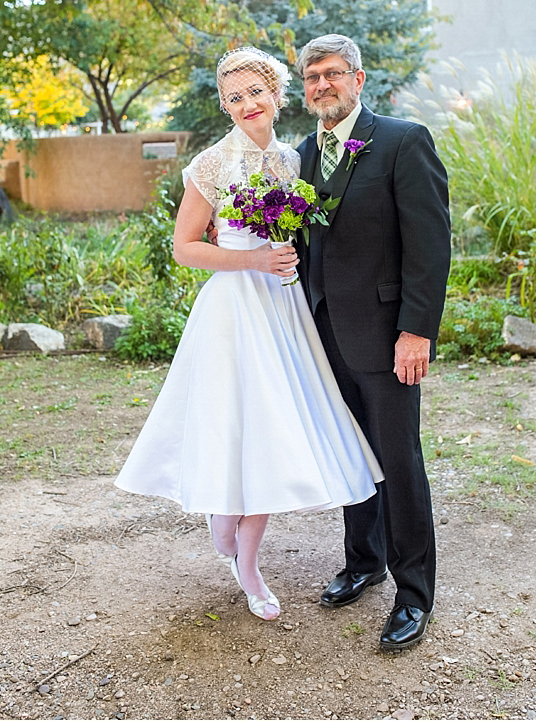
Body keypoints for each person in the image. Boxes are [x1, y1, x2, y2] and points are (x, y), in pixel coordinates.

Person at [114, 46, 384, 622]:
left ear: (277, 94)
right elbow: (185, 248)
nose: (246, 105)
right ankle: (228, 524)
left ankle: (249, 559)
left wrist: (284, 260)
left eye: (255, 92)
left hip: (284, 311)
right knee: (232, 422)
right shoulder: (211, 165)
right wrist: (253, 261)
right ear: (224, 106)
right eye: (233, 98)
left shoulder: (294, 160)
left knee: (270, 428)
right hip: (234, 308)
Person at [292, 33, 450, 652]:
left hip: (388, 338)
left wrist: (416, 331)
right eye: (311, 77)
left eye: (332, 74)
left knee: (398, 460)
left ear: (358, 80)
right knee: (348, 454)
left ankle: (414, 593)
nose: (322, 85)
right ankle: (364, 561)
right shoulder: (305, 154)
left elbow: (430, 246)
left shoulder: (403, 141)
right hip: (324, 332)